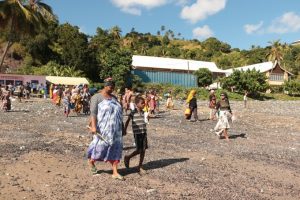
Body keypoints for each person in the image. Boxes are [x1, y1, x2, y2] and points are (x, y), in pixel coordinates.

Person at [87, 78, 124, 180]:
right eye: (110, 87)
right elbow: (93, 113)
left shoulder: (114, 98)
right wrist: (94, 126)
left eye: (113, 87)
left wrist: (122, 127)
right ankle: (91, 162)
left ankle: (115, 172)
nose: (112, 89)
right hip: (103, 129)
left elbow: (119, 114)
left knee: (115, 149)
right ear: (105, 86)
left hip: (115, 130)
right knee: (100, 147)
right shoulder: (97, 97)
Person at [124, 96, 148, 175]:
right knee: (139, 150)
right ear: (137, 104)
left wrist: (148, 118)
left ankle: (140, 166)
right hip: (137, 133)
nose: (144, 104)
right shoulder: (133, 112)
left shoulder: (144, 112)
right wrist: (125, 129)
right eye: (142, 103)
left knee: (143, 149)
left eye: (144, 103)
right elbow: (127, 121)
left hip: (143, 132)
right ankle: (128, 157)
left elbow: (146, 121)